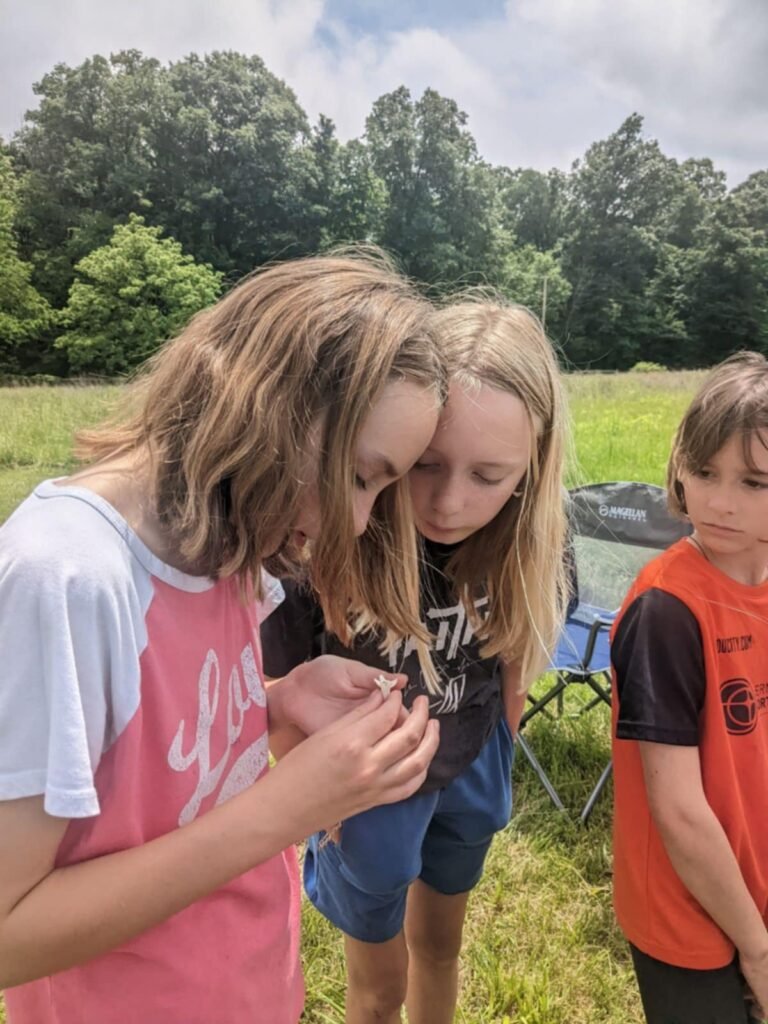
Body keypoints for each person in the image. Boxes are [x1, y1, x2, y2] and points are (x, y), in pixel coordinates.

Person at [0, 251, 446, 1024]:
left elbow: (150, 775)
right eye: (359, 475)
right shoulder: (68, 578)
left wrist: (277, 702)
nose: (361, 520)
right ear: (273, 407)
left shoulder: (227, 542)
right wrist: (288, 807)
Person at [262, 300, 569, 1024]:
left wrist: (505, 738)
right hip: (364, 792)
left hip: (471, 765)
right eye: (426, 465)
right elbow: (271, 687)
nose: (450, 502)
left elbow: (519, 651)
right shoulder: (330, 538)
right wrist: (317, 797)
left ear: (533, 467)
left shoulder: (532, 543)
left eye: (490, 476)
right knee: (378, 989)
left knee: (440, 947)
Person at [611, 352, 768, 1024]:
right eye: (704, 472)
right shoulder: (666, 610)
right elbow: (678, 810)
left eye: (756, 482)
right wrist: (758, 953)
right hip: (692, 915)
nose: (720, 501)